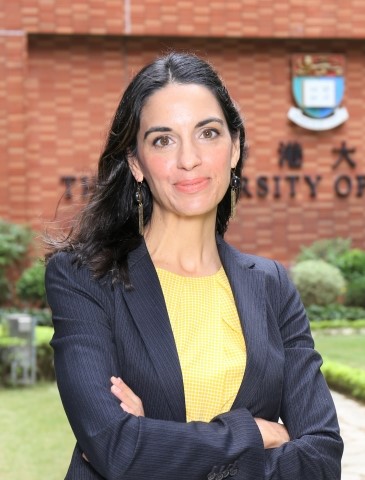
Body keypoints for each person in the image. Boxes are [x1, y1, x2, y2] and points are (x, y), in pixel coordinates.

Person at [45, 52, 343, 480]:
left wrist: (158, 442)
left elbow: (321, 457)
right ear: (136, 163)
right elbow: (115, 447)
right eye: (163, 140)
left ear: (235, 147)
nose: (189, 159)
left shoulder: (274, 286)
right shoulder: (83, 279)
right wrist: (256, 434)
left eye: (207, 133)